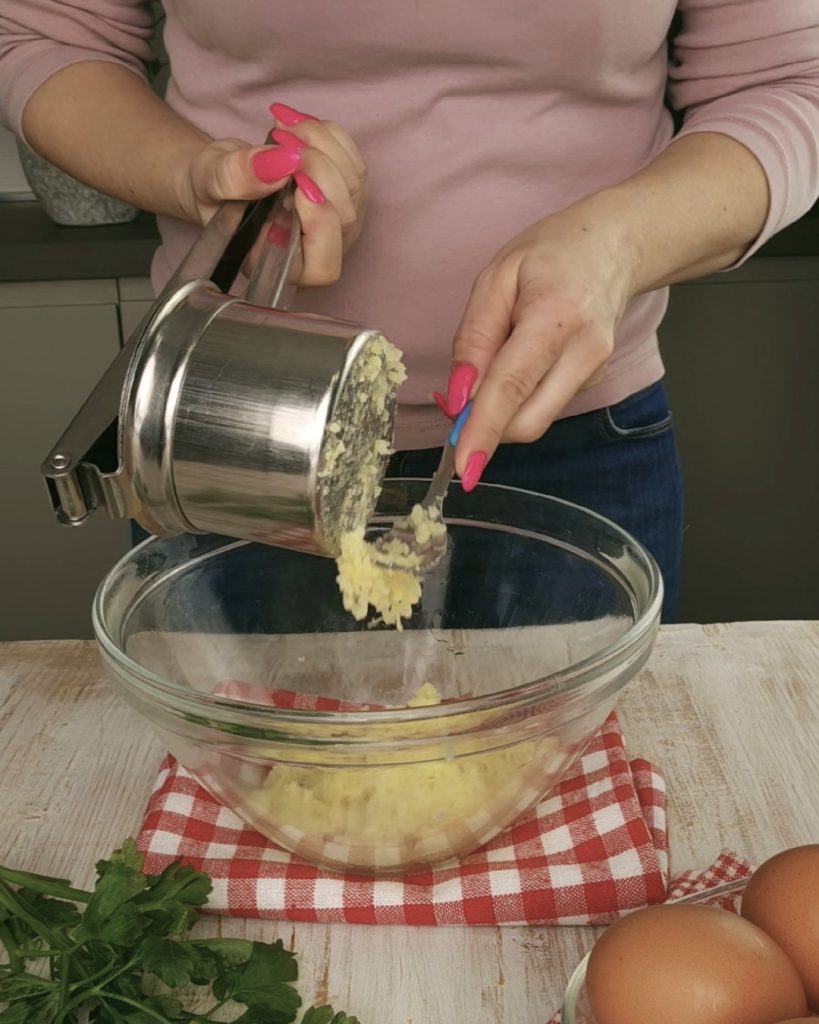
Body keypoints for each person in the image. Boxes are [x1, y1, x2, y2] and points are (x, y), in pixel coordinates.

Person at [2, 2, 818, 622]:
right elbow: (45, 32)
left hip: (579, 442)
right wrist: (193, 172)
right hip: (227, 439)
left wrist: (622, 243)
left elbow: (788, 82)